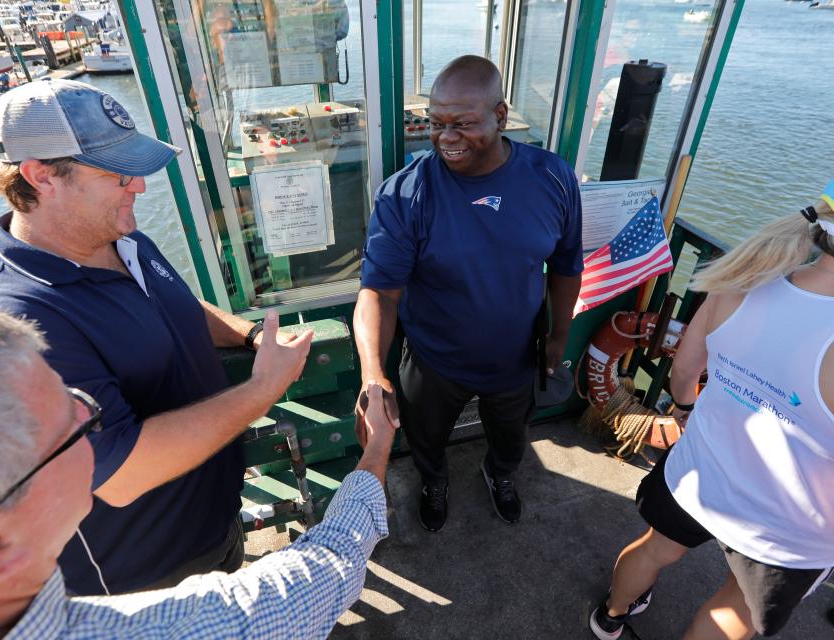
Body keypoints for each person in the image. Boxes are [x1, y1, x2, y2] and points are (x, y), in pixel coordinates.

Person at [0, 78, 315, 595]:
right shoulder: (15, 326)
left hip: (215, 522)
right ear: (41, 176)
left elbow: (175, 303)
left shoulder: (119, 236)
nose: (139, 187)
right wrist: (263, 390)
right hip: (144, 579)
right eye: (118, 173)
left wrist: (249, 335)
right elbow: (121, 474)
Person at [0, 306, 397, 640]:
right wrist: (375, 453)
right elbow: (326, 566)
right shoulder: (193, 628)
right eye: (71, 425)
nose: (89, 412)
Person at [589, 187, 834, 640]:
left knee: (653, 550)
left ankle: (611, 616)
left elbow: (684, 373)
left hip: (699, 470)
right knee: (732, 608)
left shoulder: (744, 281)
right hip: (785, 530)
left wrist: (684, 411)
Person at [353, 55, 583, 532]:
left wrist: (560, 334)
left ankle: (499, 474)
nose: (446, 138)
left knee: (511, 435)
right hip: (435, 360)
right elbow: (379, 294)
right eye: (435, 123)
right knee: (425, 438)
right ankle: (434, 481)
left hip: (518, 356)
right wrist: (374, 373)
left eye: (463, 123)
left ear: (500, 116)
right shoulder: (404, 196)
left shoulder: (553, 178)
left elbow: (565, 264)